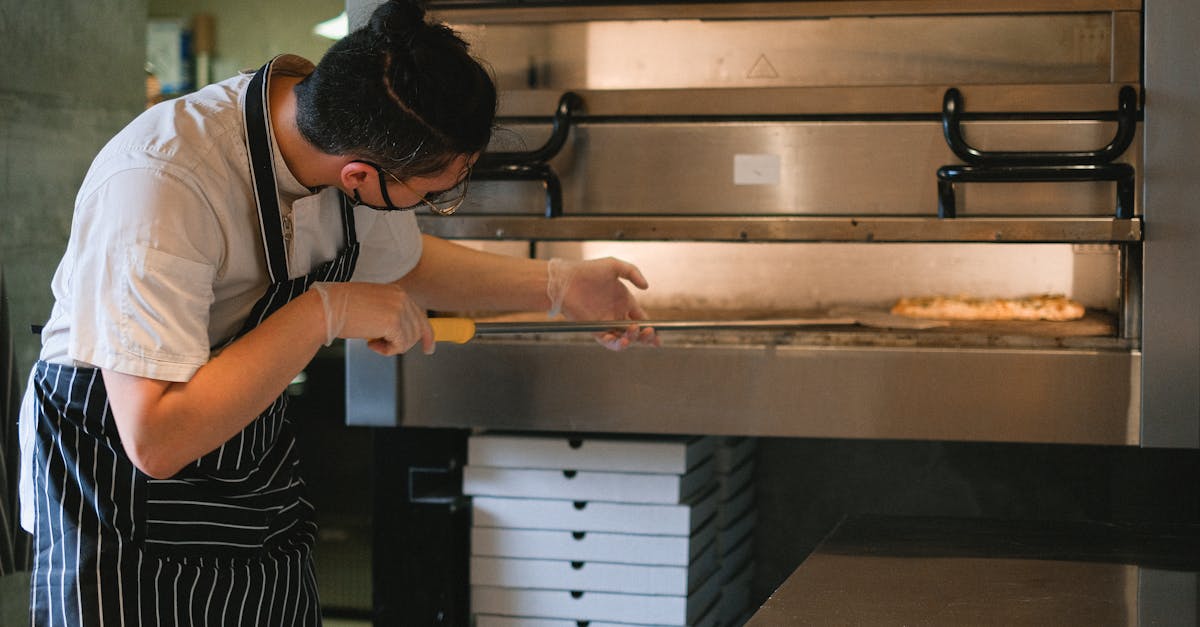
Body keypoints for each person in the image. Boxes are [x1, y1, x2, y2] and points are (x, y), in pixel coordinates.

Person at [17, 1, 657, 624]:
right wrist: (326, 310)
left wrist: (556, 285)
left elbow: (403, 262)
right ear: (357, 175)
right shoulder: (163, 183)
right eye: (432, 193)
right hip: (116, 475)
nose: (437, 203)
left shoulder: (339, 133)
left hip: (243, 454)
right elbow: (156, 439)